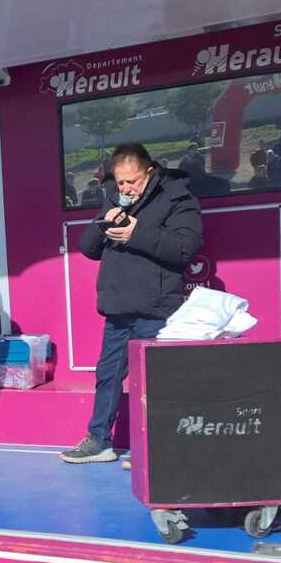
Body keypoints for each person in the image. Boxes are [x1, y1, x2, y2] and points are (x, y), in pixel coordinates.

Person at [59, 142, 203, 464]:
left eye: (132, 181)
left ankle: (156, 449)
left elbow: (185, 247)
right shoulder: (113, 197)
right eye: (120, 181)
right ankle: (99, 441)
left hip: (156, 307)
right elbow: (88, 248)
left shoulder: (176, 196)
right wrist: (104, 223)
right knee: (107, 375)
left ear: (149, 172)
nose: (125, 188)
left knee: (154, 381)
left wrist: (136, 234)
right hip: (118, 307)